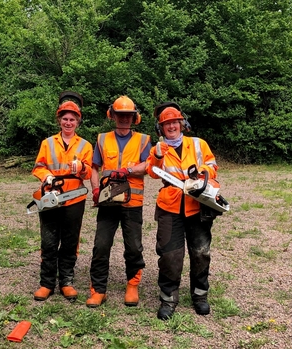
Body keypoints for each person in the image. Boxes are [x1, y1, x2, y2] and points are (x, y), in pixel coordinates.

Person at [146, 102, 221, 320]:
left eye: (174, 122)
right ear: (161, 128)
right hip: (170, 205)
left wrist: (201, 171)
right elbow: (152, 172)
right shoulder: (158, 149)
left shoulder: (198, 144)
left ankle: (200, 295)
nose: (171, 126)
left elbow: (212, 164)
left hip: (197, 203)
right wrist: (158, 156)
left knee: (201, 252)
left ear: (182, 123)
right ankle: (168, 298)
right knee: (170, 254)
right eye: (166, 123)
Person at [86, 95, 152, 308]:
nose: (124, 119)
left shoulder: (143, 140)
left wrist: (128, 170)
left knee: (133, 247)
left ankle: (132, 285)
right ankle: (98, 289)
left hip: (132, 203)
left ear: (135, 118)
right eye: (120, 115)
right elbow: (94, 167)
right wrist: (95, 189)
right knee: (101, 245)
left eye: (128, 115)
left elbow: (147, 166)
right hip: (107, 201)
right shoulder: (102, 139)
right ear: (112, 115)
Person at [32, 91, 93, 302]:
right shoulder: (47, 143)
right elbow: (38, 166)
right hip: (50, 195)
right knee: (49, 241)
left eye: (72, 119)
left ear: (78, 121)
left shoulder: (85, 146)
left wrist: (82, 167)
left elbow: (89, 172)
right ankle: (46, 282)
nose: (68, 122)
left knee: (69, 241)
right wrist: (46, 175)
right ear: (59, 120)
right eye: (65, 119)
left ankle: (66, 281)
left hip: (74, 198)